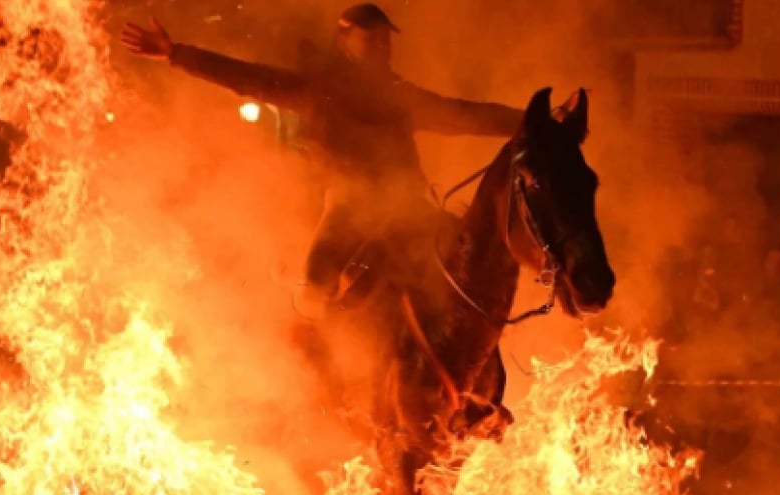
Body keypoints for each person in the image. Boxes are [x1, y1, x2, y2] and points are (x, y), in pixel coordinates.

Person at [121, 4, 525, 317]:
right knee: (316, 285)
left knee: (471, 271)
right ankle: (322, 382)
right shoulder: (319, 91)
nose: (383, 48)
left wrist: (531, 122)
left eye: (386, 40)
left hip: (407, 208)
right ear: (346, 44)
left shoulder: (400, 95)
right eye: (372, 40)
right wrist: (176, 54)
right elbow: (248, 77)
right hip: (347, 206)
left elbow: (465, 114)